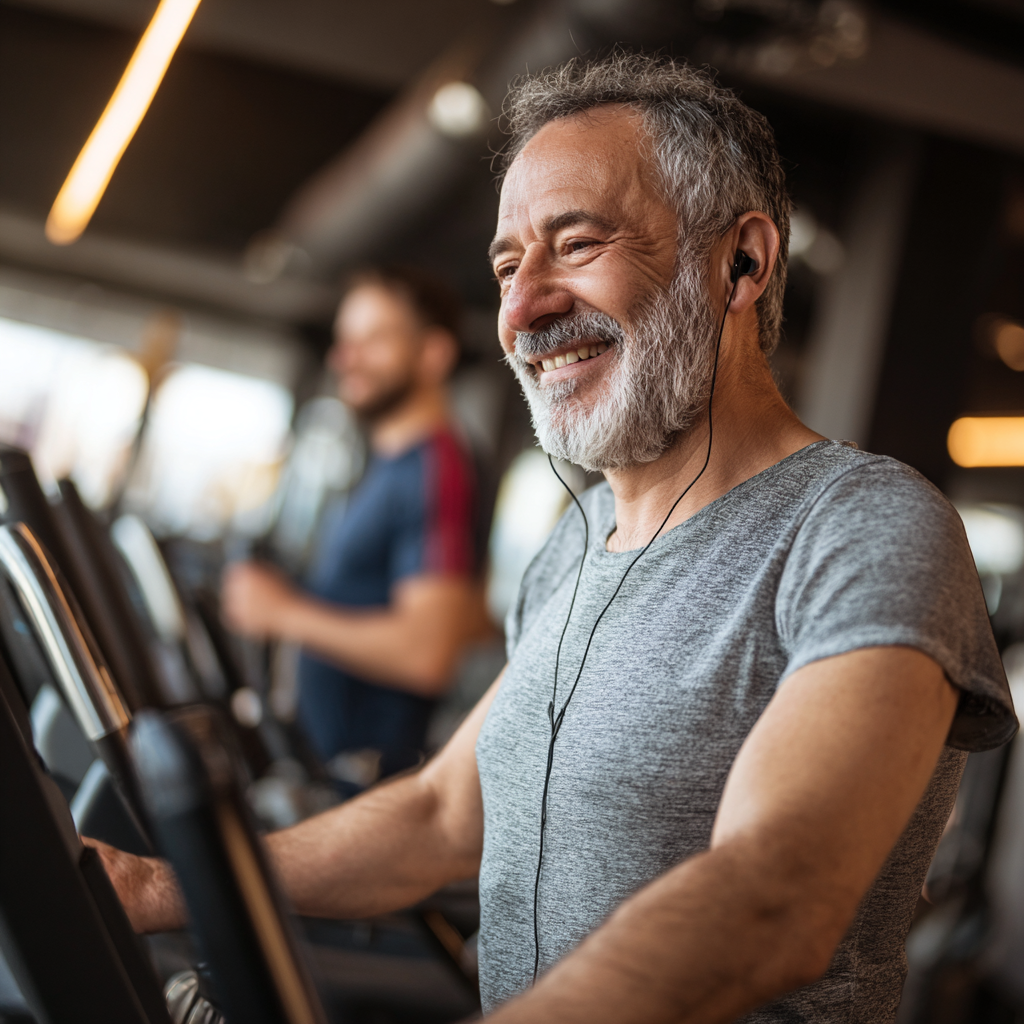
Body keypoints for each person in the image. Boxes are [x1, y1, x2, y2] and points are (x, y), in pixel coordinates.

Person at [92, 55, 1016, 1023]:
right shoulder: (575, 547)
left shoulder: (861, 524)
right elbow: (443, 813)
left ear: (739, 261)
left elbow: (776, 895)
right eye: (505, 267)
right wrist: (158, 887)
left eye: (574, 245)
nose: (522, 307)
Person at [221, 266, 480, 783]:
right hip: (324, 765)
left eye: (374, 339)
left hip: (365, 779)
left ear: (434, 354)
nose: (346, 358)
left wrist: (282, 611)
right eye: (345, 341)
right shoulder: (391, 464)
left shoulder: (437, 469)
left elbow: (428, 652)